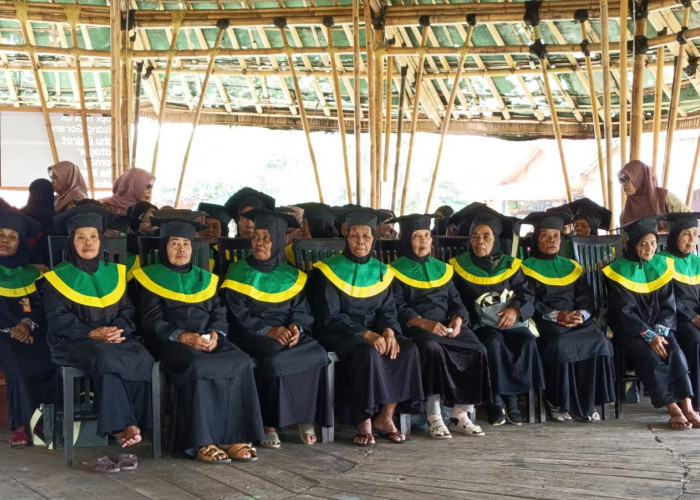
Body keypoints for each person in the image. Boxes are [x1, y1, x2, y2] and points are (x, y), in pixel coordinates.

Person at [134, 214, 264, 462]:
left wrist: (216, 334)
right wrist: (183, 336)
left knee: (241, 361)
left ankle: (234, 436)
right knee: (199, 365)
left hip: (208, 338)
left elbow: (219, 312)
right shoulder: (149, 277)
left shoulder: (204, 277)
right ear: (164, 247)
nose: (181, 249)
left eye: (186, 244)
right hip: (171, 342)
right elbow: (151, 321)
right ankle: (200, 441)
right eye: (174, 243)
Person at [43, 204, 154, 447]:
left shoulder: (114, 272)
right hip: (76, 341)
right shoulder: (57, 277)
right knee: (107, 358)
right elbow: (57, 317)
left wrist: (119, 330)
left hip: (114, 336)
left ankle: (138, 422)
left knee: (142, 357)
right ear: (71, 241)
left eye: (93, 236)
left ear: (101, 239)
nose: (88, 243)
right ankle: (123, 426)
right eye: (81, 237)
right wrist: (92, 332)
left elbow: (127, 309)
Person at [221, 209, 331, 448]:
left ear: (280, 241)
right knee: (272, 354)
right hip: (253, 333)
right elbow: (237, 312)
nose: (259, 243)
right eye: (257, 237)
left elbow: (302, 310)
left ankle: (305, 417)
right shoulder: (238, 271)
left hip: (287, 332)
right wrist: (266, 330)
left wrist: (296, 327)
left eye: (266, 238)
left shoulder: (292, 274)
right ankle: (269, 424)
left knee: (316, 352)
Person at [313, 209, 424, 446]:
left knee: (408, 349)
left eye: (366, 235)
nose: (360, 241)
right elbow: (330, 316)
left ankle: (385, 417)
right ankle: (363, 420)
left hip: (376, 331)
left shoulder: (382, 271)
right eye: (354, 235)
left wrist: (389, 331)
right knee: (367, 352)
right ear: (346, 236)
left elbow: (388, 310)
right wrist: (366, 333)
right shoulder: (326, 270)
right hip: (341, 331)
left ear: (374, 238)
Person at [389, 214, 490, 438]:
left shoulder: (442, 269)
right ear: (407, 240)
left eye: (426, 236)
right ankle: (434, 416)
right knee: (431, 350)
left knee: (477, 348)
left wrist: (457, 319)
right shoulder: (394, 270)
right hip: (415, 326)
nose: (423, 241)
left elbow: (456, 301)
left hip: (445, 326)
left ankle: (460, 415)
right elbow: (396, 306)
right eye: (417, 236)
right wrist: (423, 322)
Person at [449, 205, 545, 425]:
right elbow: (454, 299)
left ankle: (511, 400)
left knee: (526, 342)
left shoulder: (510, 265)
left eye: (486, 236)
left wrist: (515, 310)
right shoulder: (458, 266)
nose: (480, 242)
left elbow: (526, 292)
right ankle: (497, 402)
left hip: (511, 323)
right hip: (479, 325)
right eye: (475, 237)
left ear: (495, 239)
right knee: (492, 344)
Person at [603, 215, 699, 429]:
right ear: (632, 245)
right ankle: (673, 408)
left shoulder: (661, 265)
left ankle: (689, 406)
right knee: (651, 356)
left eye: (653, 243)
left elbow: (668, 304)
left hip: (659, 326)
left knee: (674, 350)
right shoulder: (618, 270)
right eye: (643, 244)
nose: (649, 249)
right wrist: (649, 336)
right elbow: (624, 311)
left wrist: (661, 331)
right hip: (632, 329)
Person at [521, 212, 615, 421]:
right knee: (563, 344)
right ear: (536, 240)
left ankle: (589, 402)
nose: (551, 240)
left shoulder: (571, 266)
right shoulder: (525, 268)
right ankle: (559, 403)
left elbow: (586, 296)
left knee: (599, 342)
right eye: (545, 236)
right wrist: (557, 316)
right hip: (547, 320)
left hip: (576, 318)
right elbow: (529, 301)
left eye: (555, 236)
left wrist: (581, 315)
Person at [0, 208, 56, 448]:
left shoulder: (35, 273)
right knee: (14, 359)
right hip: (2, 334)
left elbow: (42, 306)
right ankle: (21, 425)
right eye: (0, 235)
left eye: (12, 237)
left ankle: (43, 418)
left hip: (31, 331)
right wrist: (11, 330)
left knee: (49, 354)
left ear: (20, 243)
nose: (5, 241)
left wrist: (26, 325)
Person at [659, 212, 700, 411]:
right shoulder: (661, 261)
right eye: (686, 234)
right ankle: (695, 400)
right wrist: (693, 317)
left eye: (695, 234)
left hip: (696, 316)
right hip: (673, 318)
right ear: (674, 235)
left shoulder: (697, 262)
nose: (692, 240)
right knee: (694, 338)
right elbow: (666, 299)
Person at [619, 160, 690, 226]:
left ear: (639, 178)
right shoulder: (626, 211)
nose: (624, 185)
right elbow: (625, 238)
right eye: (622, 180)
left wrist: (669, 231)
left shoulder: (663, 197)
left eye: (627, 180)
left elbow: (690, 217)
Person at [198, 202, 233, 273]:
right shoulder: (191, 249)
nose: (210, 229)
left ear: (223, 231)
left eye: (215, 226)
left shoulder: (230, 255)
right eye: (206, 226)